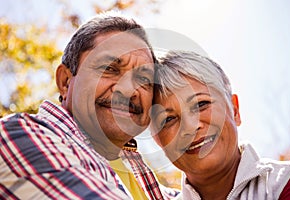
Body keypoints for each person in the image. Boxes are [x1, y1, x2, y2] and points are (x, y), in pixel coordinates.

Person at [0, 12, 179, 199]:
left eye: (144, 78)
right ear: (66, 82)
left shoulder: (150, 187)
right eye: (110, 68)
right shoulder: (18, 135)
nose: (128, 90)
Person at [150, 50, 290, 199]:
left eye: (201, 104)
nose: (190, 126)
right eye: (168, 119)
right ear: (157, 139)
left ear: (235, 110)